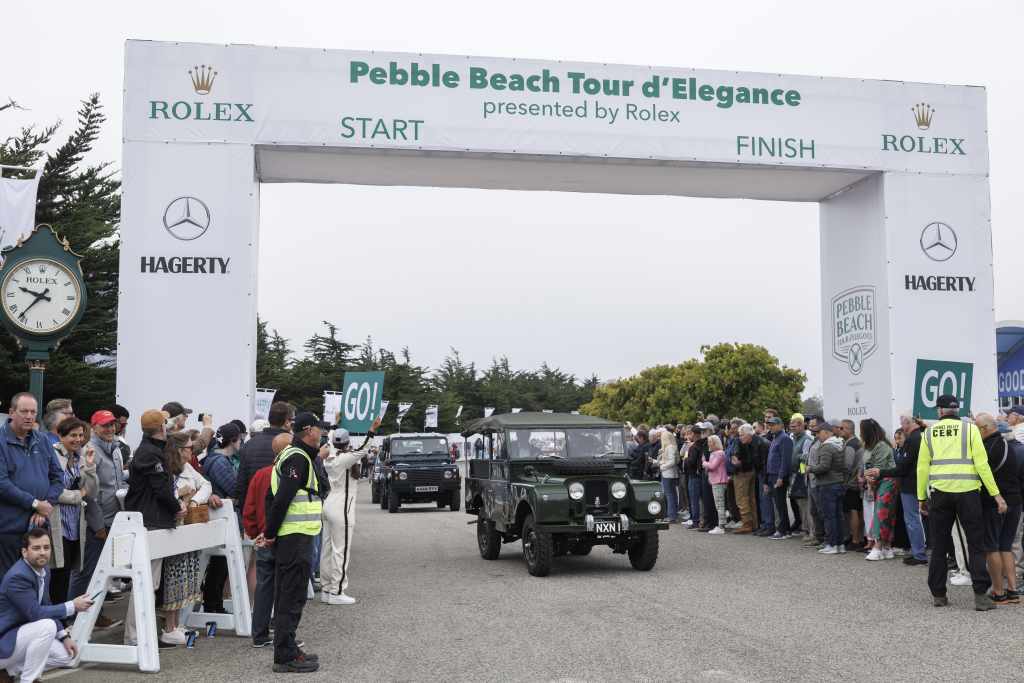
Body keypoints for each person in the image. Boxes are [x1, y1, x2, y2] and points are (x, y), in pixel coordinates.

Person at [918, 395, 1005, 610]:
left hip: (940, 494)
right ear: (957, 410)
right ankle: (981, 597)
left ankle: (939, 595)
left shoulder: (928, 433)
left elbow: (922, 467)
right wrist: (996, 494)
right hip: (968, 494)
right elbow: (982, 465)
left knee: (939, 545)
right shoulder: (971, 430)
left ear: (939, 411)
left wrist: (921, 497)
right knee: (976, 545)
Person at [260, 412, 328, 673]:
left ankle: (289, 649)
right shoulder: (297, 457)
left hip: (297, 535)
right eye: (319, 429)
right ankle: (285, 656)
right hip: (293, 537)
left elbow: (274, 497)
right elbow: (281, 499)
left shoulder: (297, 456)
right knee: (291, 596)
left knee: (293, 595)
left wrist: (270, 532)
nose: (321, 433)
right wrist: (270, 533)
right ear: (308, 430)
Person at [0, 529, 93, 683]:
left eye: (46, 547)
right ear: (24, 552)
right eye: (36, 548)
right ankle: (29, 680)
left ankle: (7, 671)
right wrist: (72, 606)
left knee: (65, 656)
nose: (42, 552)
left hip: (20, 636)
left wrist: (64, 636)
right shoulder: (17, 577)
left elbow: (46, 605)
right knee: (46, 626)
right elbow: (36, 613)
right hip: (5, 640)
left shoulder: (43, 570)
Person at [123, 409, 182, 647]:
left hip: (152, 519)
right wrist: (177, 507)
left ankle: (140, 635)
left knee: (150, 581)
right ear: (161, 428)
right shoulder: (149, 454)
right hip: (150, 521)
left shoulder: (150, 450)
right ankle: (135, 637)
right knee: (145, 580)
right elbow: (161, 489)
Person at [157, 432, 222, 645]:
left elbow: (206, 485)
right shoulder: (166, 469)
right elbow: (166, 495)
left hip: (188, 526)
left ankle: (176, 625)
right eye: (188, 448)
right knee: (172, 579)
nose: (191, 452)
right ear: (177, 449)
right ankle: (169, 627)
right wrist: (182, 500)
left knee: (185, 577)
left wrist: (193, 501)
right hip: (172, 529)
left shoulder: (187, 468)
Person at [69, 410, 127, 612]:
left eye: (112, 424)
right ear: (93, 427)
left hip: (114, 518)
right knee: (85, 571)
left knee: (102, 571)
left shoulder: (116, 448)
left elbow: (117, 481)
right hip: (96, 521)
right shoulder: (90, 450)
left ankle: (95, 613)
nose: (110, 428)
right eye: (104, 425)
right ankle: (72, 619)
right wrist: (98, 524)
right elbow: (88, 493)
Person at [0, 393, 63, 578]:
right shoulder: (1, 442)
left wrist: (45, 504)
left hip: (40, 524)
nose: (29, 416)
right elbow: (2, 483)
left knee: (41, 578)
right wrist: (35, 503)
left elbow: (58, 476)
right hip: (9, 527)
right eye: (24, 411)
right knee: (10, 579)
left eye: (33, 412)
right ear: (11, 412)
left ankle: (40, 608)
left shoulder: (42, 440)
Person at [320, 419, 381, 605]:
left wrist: (334, 425)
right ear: (346, 443)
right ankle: (337, 591)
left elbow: (330, 440)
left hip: (330, 502)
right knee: (341, 550)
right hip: (342, 505)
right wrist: (371, 431)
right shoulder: (343, 458)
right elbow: (362, 449)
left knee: (328, 549)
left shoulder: (330, 454)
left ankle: (327, 589)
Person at [245, 433, 291, 649]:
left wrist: (255, 532)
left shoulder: (261, 474)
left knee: (264, 585)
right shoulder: (291, 475)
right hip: (287, 536)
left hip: (264, 535)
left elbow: (250, 507)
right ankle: (282, 634)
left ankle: (260, 633)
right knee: (286, 587)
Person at [48, 418, 99, 608]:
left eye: (80, 435)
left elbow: (92, 492)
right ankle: (57, 619)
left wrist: (90, 466)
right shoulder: (52, 455)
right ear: (61, 436)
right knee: (57, 574)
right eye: (72, 435)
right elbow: (53, 490)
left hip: (74, 525)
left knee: (66, 572)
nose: (78, 439)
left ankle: (62, 619)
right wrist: (79, 495)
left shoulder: (80, 457)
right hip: (56, 523)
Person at [975, 413, 1023, 604]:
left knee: (991, 547)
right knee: (1006, 547)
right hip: (1015, 501)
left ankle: (998, 591)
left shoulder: (986, 448)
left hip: (995, 503)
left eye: (976, 428)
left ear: (985, 428)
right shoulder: (1007, 445)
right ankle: (1012, 591)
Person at [869, 411, 928, 566]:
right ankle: (919, 552)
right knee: (917, 519)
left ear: (909, 423)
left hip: (910, 485)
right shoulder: (924, 435)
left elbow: (902, 468)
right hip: (921, 483)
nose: (902, 427)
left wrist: (880, 472)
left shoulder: (912, 439)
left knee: (913, 520)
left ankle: (919, 554)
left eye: (902, 424)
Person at [235, 402, 295, 531]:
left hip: (258, 517)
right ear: (287, 422)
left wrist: (250, 521)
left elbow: (241, 486)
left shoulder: (248, 445)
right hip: (288, 520)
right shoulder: (294, 446)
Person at [807, 422, 848, 555]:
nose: (817, 436)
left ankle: (832, 544)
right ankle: (840, 544)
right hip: (838, 483)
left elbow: (824, 466)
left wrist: (810, 468)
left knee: (829, 516)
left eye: (818, 433)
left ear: (826, 432)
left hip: (828, 485)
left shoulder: (826, 447)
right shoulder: (839, 445)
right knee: (838, 516)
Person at [860, 418, 897, 561]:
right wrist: (868, 478)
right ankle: (886, 547)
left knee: (882, 514)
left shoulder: (881, 446)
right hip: (877, 481)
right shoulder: (869, 446)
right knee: (884, 513)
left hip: (887, 481)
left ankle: (878, 546)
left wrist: (870, 480)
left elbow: (879, 468)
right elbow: (868, 468)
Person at [731, 424, 763, 534]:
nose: (740, 437)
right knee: (750, 498)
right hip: (750, 471)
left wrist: (738, 462)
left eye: (741, 435)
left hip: (743, 472)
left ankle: (747, 524)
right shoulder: (753, 441)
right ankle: (753, 523)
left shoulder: (746, 442)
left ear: (748, 434)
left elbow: (744, 457)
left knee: (742, 499)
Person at [764, 417, 793, 539]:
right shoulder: (775, 438)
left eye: (773, 425)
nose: (770, 427)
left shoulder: (785, 439)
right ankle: (783, 529)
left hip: (778, 475)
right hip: (772, 474)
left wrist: (781, 477)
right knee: (777, 503)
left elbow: (785, 461)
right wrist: (766, 479)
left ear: (780, 425)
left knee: (780, 504)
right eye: (769, 425)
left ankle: (783, 530)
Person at [839, 420, 865, 550]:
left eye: (842, 428)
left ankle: (855, 540)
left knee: (853, 511)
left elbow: (847, 466)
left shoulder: (850, 445)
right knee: (859, 511)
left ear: (849, 429)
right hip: (858, 482)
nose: (840, 430)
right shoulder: (858, 442)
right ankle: (859, 538)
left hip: (852, 483)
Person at [788, 414, 813, 538]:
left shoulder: (807, 439)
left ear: (802, 426)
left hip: (801, 475)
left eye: (794, 426)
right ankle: (804, 528)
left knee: (805, 505)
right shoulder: (793, 439)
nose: (792, 428)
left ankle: (808, 530)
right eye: (791, 426)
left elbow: (806, 457)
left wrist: (802, 474)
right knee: (798, 504)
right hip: (793, 475)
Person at [702, 435, 728, 535]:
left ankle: (721, 526)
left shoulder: (719, 453)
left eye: (710, 442)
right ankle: (721, 523)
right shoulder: (714, 453)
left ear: (714, 443)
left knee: (719, 504)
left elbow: (712, 466)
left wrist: (704, 463)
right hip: (715, 480)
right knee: (719, 504)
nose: (709, 444)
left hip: (719, 481)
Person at [657, 429, 680, 523]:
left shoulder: (669, 447)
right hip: (671, 473)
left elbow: (672, 461)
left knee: (669, 495)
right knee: (672, 494)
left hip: (668, 473)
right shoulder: (673, 447)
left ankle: (671, 516)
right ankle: (673, 514)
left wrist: (662, 466)